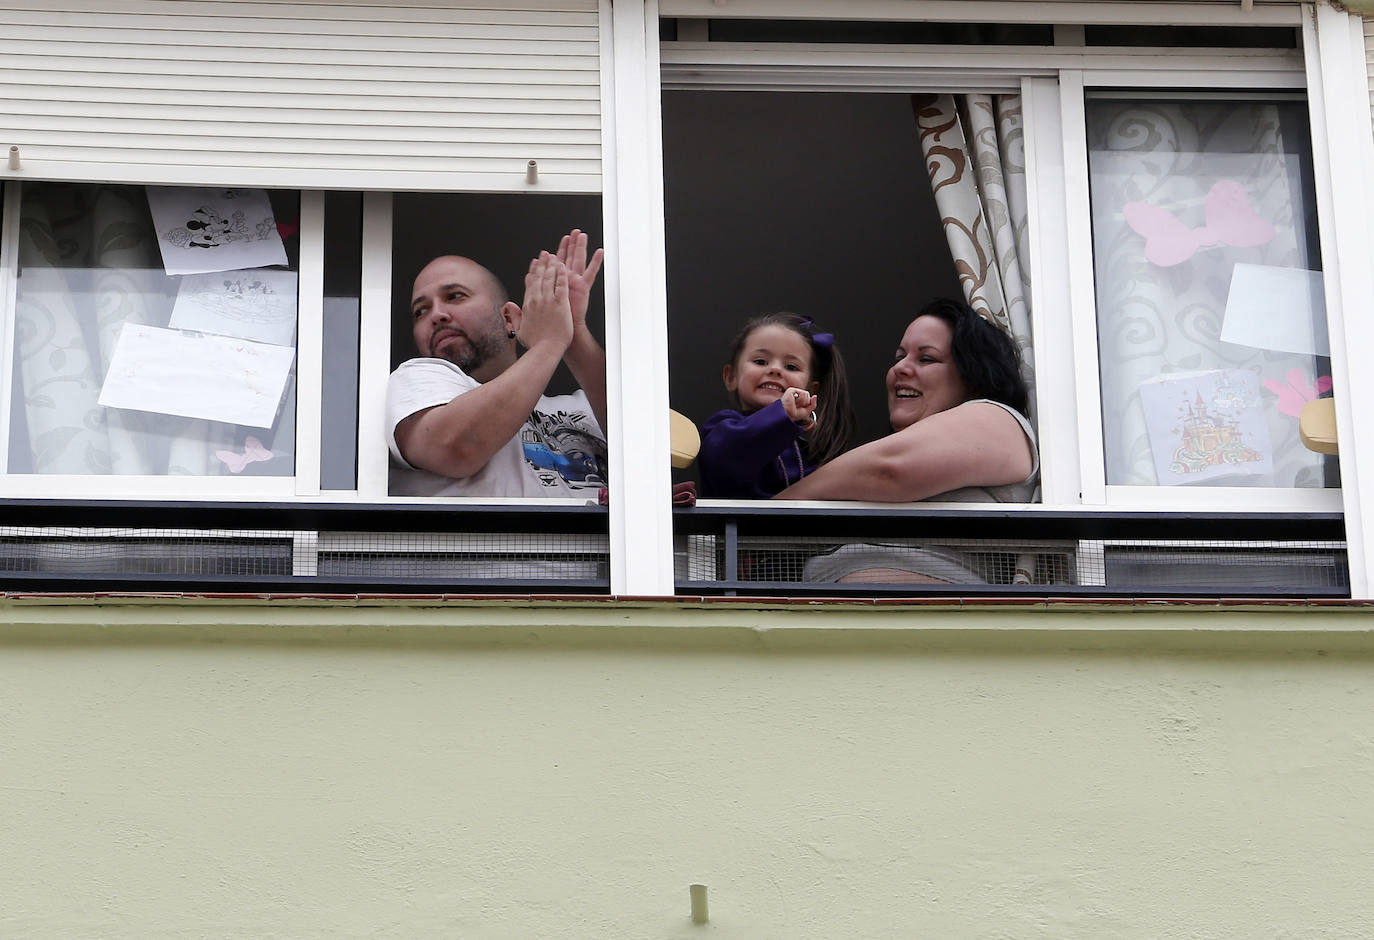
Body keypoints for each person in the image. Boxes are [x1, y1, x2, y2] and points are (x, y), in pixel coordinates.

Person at [387, 231, 608, 497]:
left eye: (455, 296)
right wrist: (550, 343)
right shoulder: (413, 383)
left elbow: (648, 445)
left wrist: (573, 332)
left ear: (510, 320)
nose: (436, 315)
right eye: (420, 311)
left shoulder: (581, 407)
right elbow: (459, 447)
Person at [776, 298, 1037, 503]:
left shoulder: (999, 420)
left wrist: (777, 510)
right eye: (900, 357)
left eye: (926, 359)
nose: (899, 369)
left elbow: (890, 468)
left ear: (974, 379)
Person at [697, 313, 855, 498]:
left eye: (791, 367)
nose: (775, 369)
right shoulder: (722, 427)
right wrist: (782, 414)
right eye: (760, 361)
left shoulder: (815, 449)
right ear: (731, 377)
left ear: (812, 390)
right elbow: (725, 457)